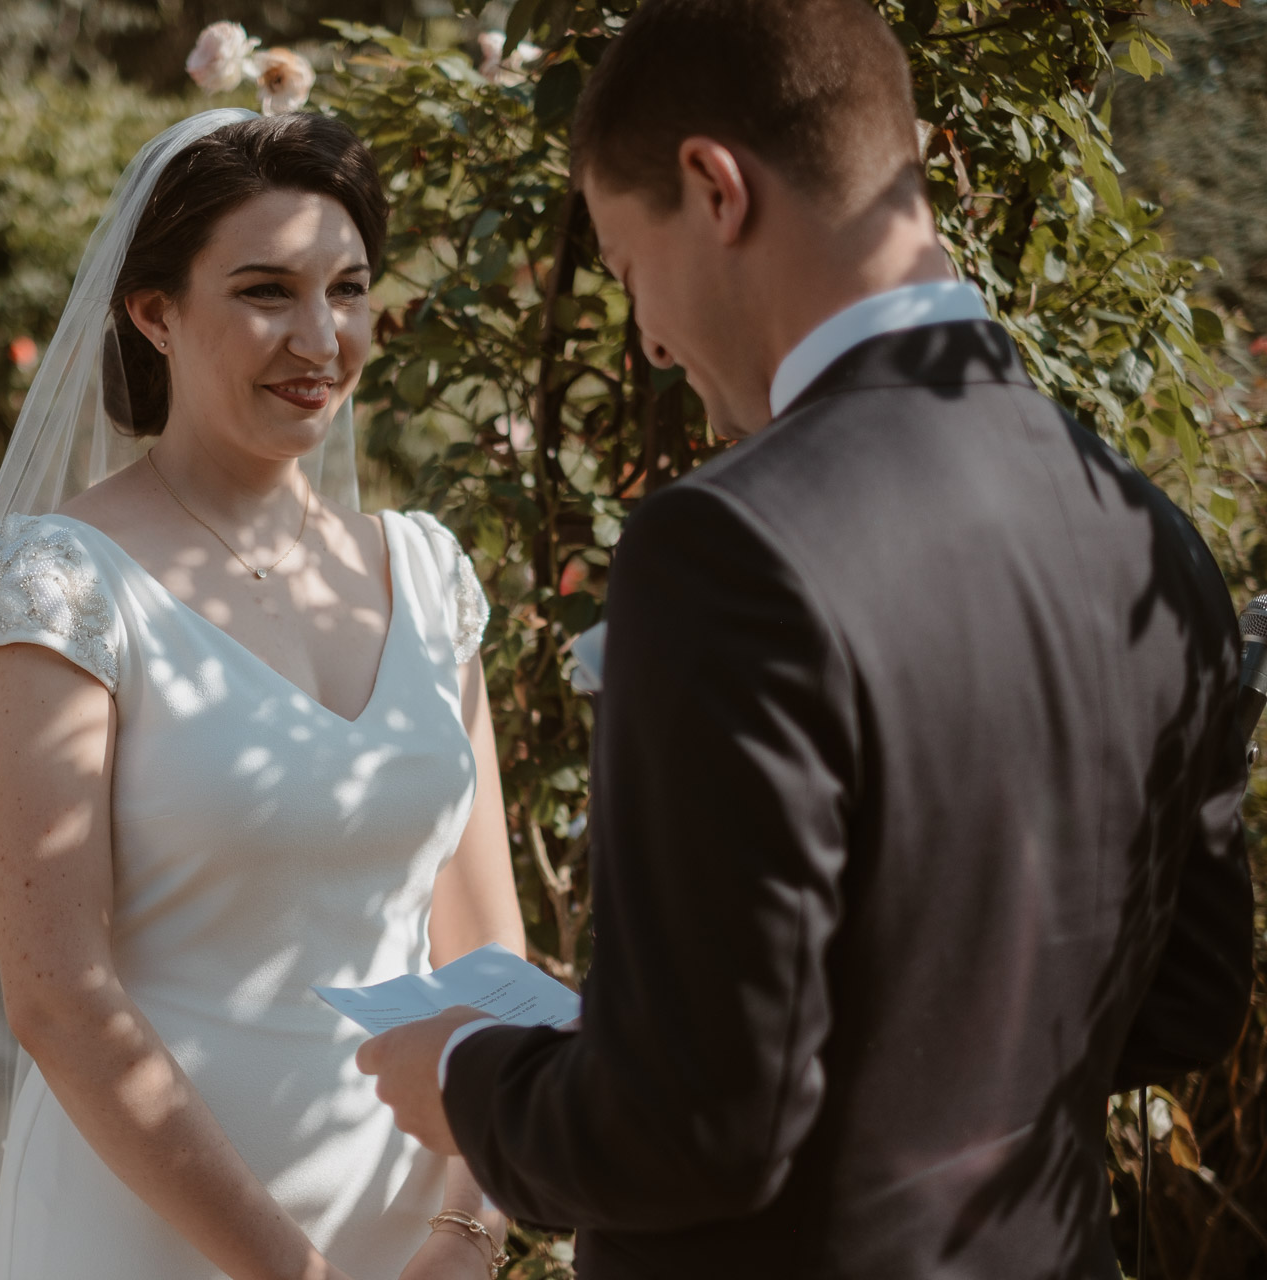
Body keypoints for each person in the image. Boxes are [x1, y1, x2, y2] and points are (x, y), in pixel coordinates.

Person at [355, 4, 1255, 1276]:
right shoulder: (1145, 529)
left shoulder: (727, 546)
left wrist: (466, 1071)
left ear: (711, 187)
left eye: (626, 269)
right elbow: (1181, 1003)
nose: (652, 338)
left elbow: (693, 1125)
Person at [0, 110, 526, 1280]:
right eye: (262, 291)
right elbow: (58, 1000)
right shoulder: (58, 582)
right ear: (154, 311)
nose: (319, 335)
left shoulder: (427, 575)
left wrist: (469, 1231)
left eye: (346, 287)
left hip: (412, 1231)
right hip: (146, 1227)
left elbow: (487, 951)